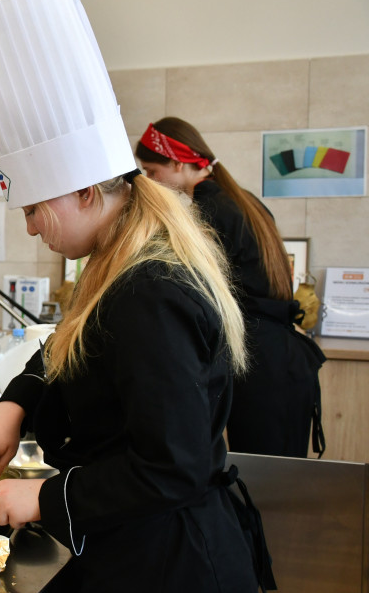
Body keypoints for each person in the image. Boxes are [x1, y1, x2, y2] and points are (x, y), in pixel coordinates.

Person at [0, 0, 263, 593]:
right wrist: (17, 401)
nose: (32, 226)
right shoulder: (113, 268)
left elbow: (169, 467)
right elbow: (70, 341)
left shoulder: (150, 291)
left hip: (178, 586)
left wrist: (42, 496)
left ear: (88, 194)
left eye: (36, 208)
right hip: (139, 564)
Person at [135, 117, 326, 458]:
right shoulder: (240, 199)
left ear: (179, 163)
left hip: (262, 364)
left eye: (152, 171)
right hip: (278, 359)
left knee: (267, 485)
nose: (150, 182)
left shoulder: (209, 210)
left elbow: (195, 291)